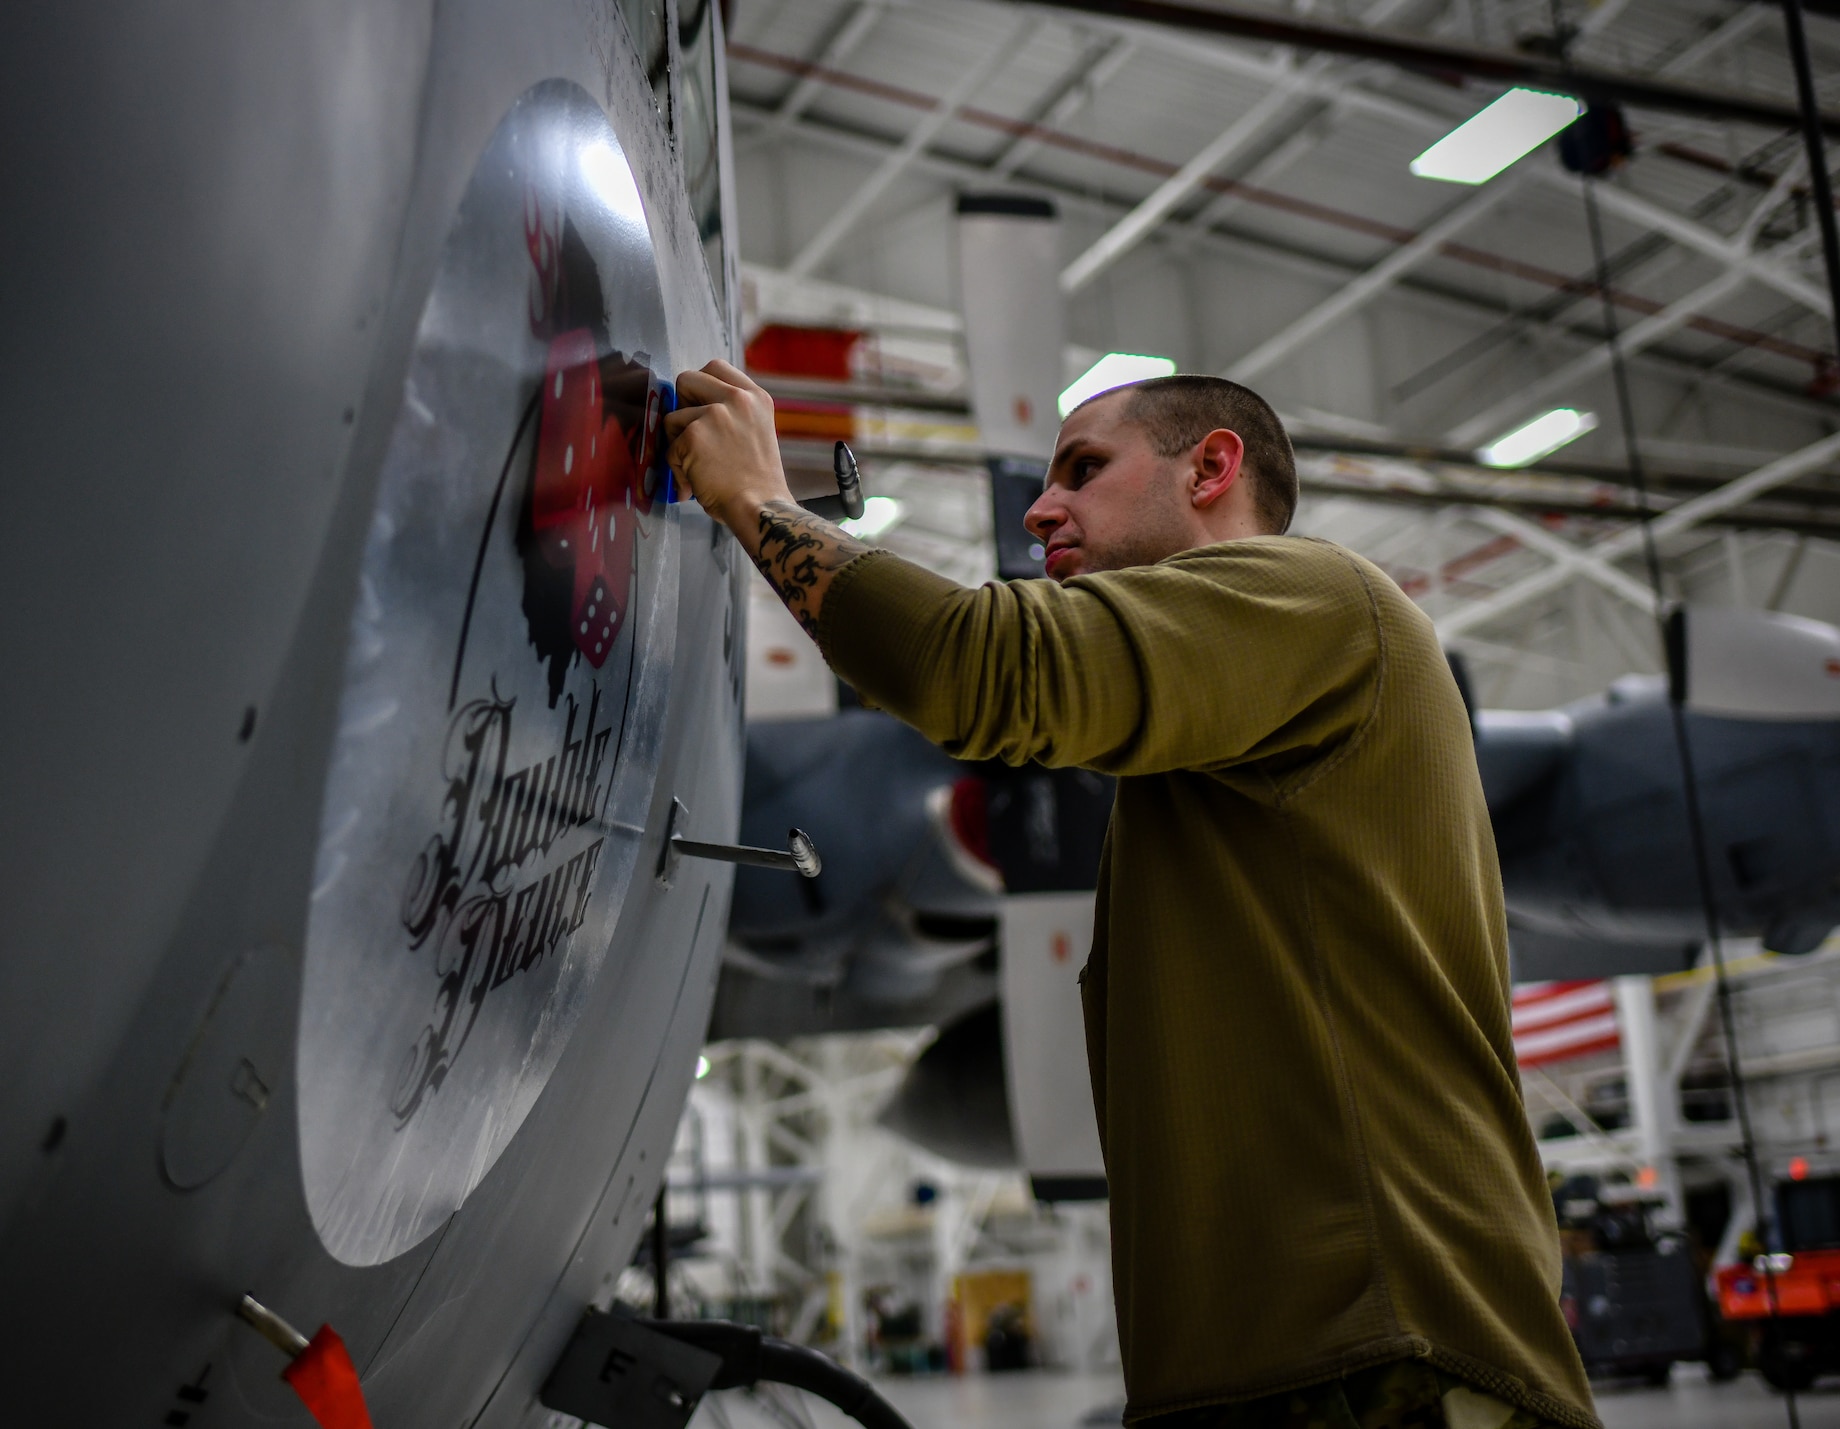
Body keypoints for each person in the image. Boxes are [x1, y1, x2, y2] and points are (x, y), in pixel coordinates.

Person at [662, 360, 1599, 1429]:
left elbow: (981, 673)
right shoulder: (1199, 763)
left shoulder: (1321, 599)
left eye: (1084, 467)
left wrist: (755, 497)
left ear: (1211, 467)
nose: (1038, 505)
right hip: (1293, 1365)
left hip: (1379, 1361)